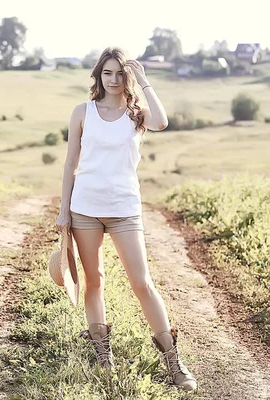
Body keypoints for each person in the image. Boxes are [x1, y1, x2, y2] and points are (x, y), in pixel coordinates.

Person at [55, 47, 197, 392]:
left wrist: (144, 81)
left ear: (128, 77)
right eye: (108, 73)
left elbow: (162, 122)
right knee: (94, 281)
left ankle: (174, 364)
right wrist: (64, 210)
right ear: (98, 76)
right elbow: (71, 162)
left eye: (121, 73)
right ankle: (104, 360)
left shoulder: (137, 114)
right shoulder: (82, 112)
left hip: (124, 210)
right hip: (85, 208)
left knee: (142, 283)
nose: (115, 80)